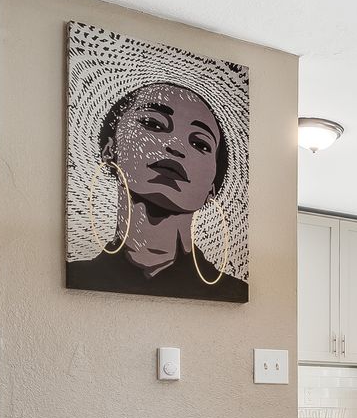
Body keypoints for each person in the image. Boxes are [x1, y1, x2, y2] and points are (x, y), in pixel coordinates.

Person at [67, 81, 248, 302]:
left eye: (200, 144)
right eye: (153, 123)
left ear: (211, 188)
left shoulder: (231, 290)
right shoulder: (79, 277)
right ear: (110, 150)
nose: (176, 147)